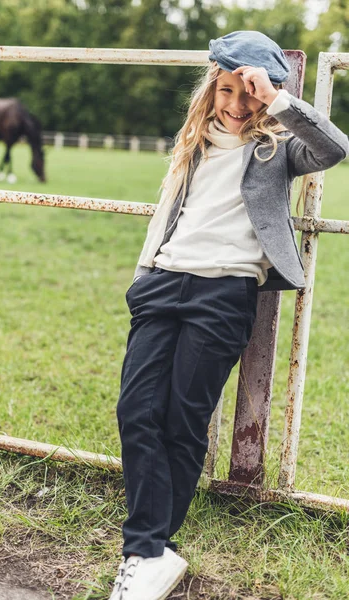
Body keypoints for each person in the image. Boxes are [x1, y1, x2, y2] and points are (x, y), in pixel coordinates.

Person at [109, 31, 349, 600]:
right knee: (136, 410)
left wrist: (279, 101)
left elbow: (335, 148)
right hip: (164, 282)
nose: (236, 105)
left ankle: (147, 550)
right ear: (210, 89)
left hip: (224, 293)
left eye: (249, 95)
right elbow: (166, 212)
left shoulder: (277, 146)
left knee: (184, 418)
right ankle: (151, 554)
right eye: (226, 91)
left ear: (265, 95)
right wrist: (143, 277)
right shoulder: (194, 142)